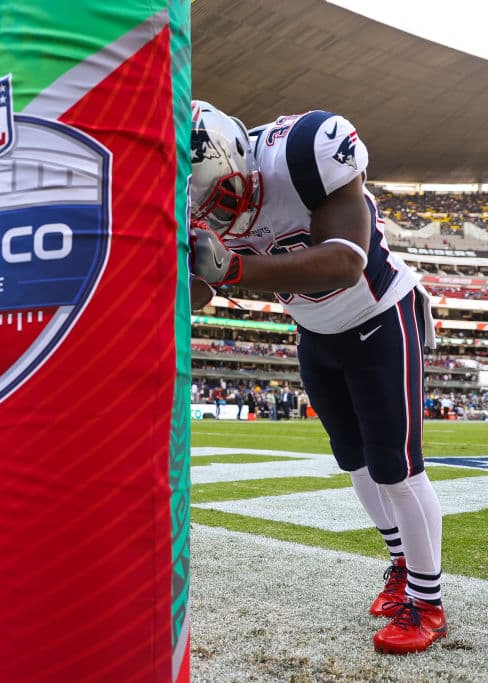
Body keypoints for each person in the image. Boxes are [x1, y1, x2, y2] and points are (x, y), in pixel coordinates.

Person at [188, 100, 445, 655]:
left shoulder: (304, 149)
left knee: (396, 470)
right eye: (211, 207)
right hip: (314, 331)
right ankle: (402, 564)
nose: (224, 213)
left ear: (238, 156)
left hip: (378, 315)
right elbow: (198, 292)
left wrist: (233, 267)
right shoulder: (195, 203)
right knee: (354, 464)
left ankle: (427, 605)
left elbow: (346, 259)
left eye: (227, 194)